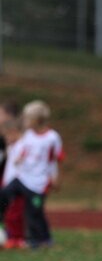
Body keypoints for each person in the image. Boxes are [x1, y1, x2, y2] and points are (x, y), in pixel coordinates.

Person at [0, 100, 63, 249]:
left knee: (34, 212)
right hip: (23, 178)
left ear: (37, 120)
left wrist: (55, 177)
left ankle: (42, 239)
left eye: (27, 118)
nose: (24, 120)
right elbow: (24, 149)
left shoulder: (52, 137)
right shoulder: (28, 135)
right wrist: (19, 158)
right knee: (4, 193)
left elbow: (55, 159)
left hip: (39, 182)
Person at [0, 102, 27, 249]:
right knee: (10, 211)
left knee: (15, 211)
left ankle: (18, 237)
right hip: (8, 182)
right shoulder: (9, 145)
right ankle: (12, 235)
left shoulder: (22, 144)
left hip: (17, 183)